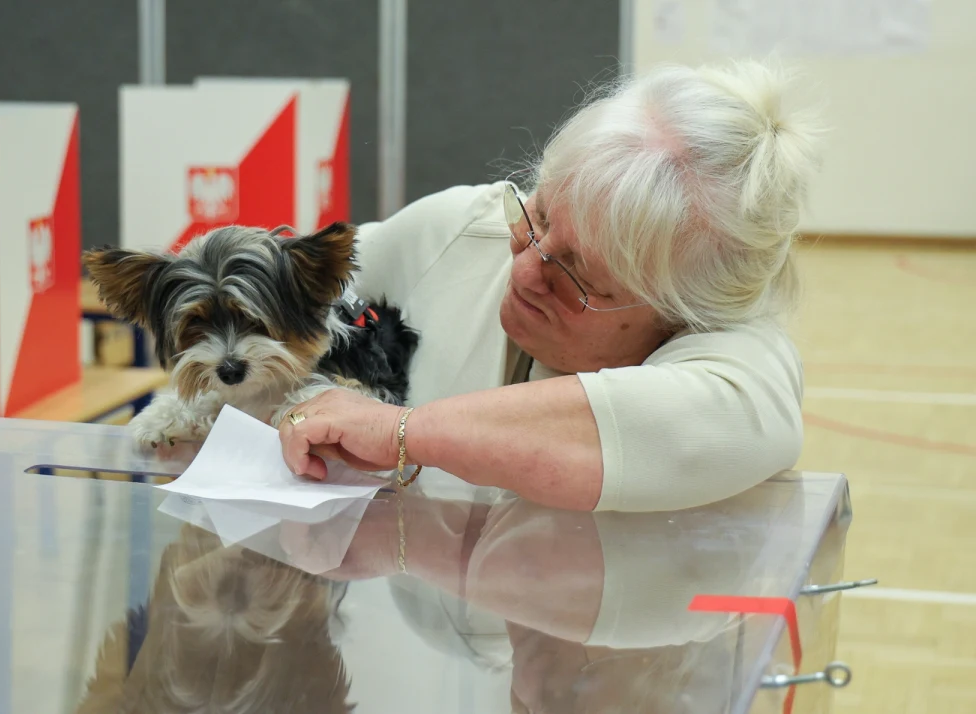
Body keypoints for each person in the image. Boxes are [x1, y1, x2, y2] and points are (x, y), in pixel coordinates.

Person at [278, 59, 823, 512]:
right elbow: (271, 288)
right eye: (536, 217)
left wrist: (401, 433)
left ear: (681, 316)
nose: (523, 271)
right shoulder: (460, 229)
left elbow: (649, 429)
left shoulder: (742, 361)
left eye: (577, 275)